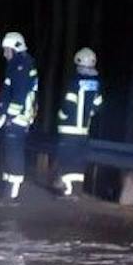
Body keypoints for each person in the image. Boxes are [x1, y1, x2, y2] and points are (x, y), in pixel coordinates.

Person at [0, 31, 38, 202]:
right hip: (13, 117)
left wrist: (8, 115)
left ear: (15, 49)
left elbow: (19, 95)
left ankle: (12, 194)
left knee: (14, 153)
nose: (4, 53)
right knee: (9, 153)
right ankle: (7, 189)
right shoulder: (16, 65)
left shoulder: (21, 66)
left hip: (17, 117)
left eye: (6, 50)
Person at [54, 47, 102, 196]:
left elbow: (68, 104)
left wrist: (61, 116)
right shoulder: (95, 83)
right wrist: (89, 114)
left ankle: (67, 190)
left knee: (66, 157)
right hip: (83, 130)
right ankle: (76, 191)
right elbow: (98, 104)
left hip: (69, 128)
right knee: (78, 159)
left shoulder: (75, 82)